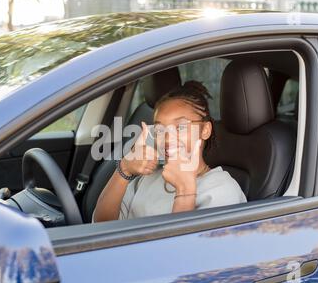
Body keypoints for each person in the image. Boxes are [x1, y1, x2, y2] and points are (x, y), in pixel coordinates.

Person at [93, 80, 246, 222]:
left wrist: (185, 191)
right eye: (159, 129)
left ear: (205, 130)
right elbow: (102, 225)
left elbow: (183, 250)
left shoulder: (221, 190)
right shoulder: (148, 178)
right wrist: (124, 168)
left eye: (180, 127)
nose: (167, 138)